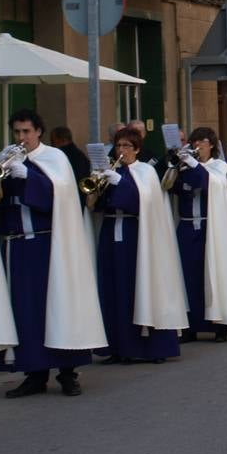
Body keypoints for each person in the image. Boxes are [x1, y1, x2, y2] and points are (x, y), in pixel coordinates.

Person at [0, 109, 106, 397]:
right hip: (18, 245)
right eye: (17, 132)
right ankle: (34, 372)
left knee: (58, 306)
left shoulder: (54, 158)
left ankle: (68, 373)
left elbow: (63, 197)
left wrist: (29, 175)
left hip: (49, 245)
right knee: (25, 312)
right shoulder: (7, 157)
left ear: (38, 131)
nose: (21, 137)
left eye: (26, 132)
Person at [91, 127, 186, 364]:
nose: (121, 151)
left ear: (137, 149)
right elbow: (96, 205)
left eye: (127, 146)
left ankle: (148, 347)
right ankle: (117, 346)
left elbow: (143, 201)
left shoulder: (145, 171)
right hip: (111, 232)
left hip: (137, 235)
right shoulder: (110, 170)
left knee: (138, 286)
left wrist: (121, 183)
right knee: (113, 288)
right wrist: (101, 183)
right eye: (119, 146)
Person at [169, 127, 227, 342]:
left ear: (211, 144)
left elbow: (209, 183)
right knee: (189, 276)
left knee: (214, 274)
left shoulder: (220, 166)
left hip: (212, 228)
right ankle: (191, 325)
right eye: (194, 142)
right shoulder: (187, 166)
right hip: (187, 226)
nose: (197, 146)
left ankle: (220, 324)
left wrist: (194, 166)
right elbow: (172, 185)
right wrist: (174, 166)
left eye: (202, 142)